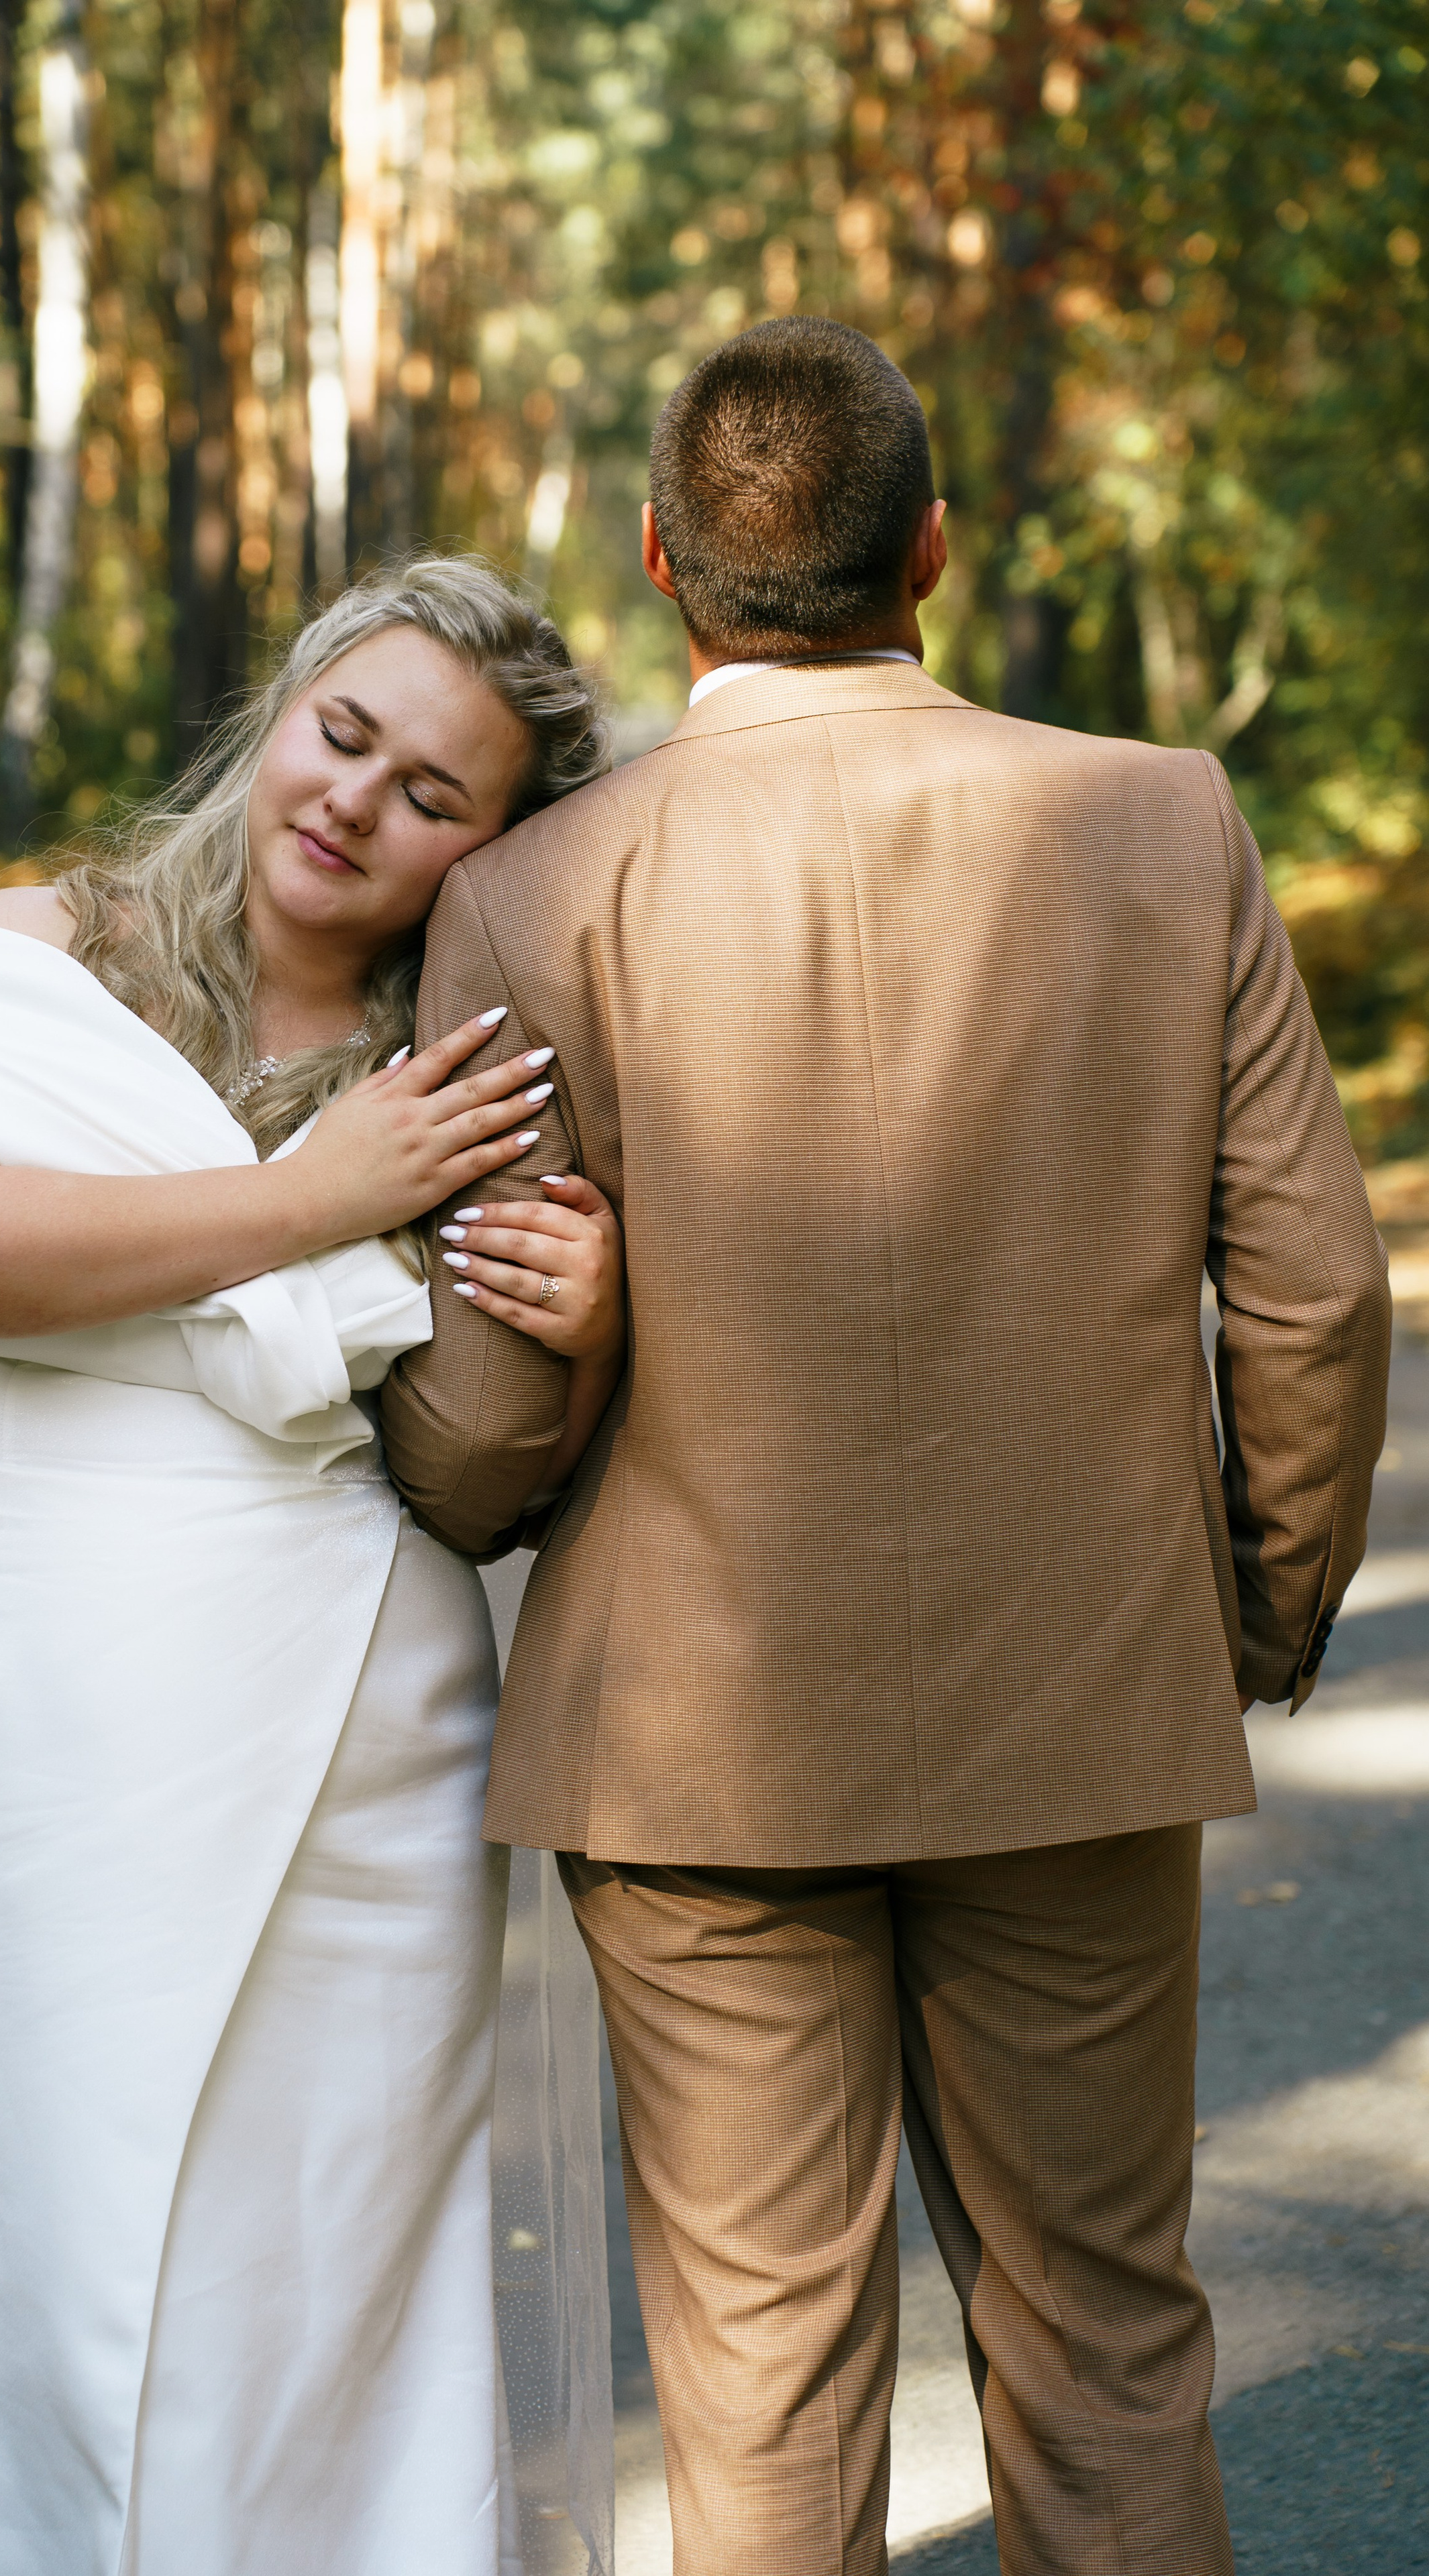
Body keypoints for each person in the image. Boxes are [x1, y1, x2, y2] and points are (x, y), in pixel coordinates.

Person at [381, 319, 1393, 2575]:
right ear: (935, 544)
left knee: (762, 2394)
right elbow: (1314, 1289)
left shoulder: (530, 898)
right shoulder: (1163, 821)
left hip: (691, 1748)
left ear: (660, 560)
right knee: (1110, 2346)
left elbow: (472, 1433)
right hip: (1081, 1708)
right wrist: (1247, 1604)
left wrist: (511, 1424)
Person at [0, 558, 624, 2576]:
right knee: (24, 2242)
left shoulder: (469, 1061)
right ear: (283, 706)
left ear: (491, 847)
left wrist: (581, 1324)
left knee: (313, 2287)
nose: (355, 801)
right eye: (346, 733)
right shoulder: (27, 947)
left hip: (357, 1742)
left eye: (432, 795)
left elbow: (490, 1475)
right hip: (18, 1691)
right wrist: (311, 1199)